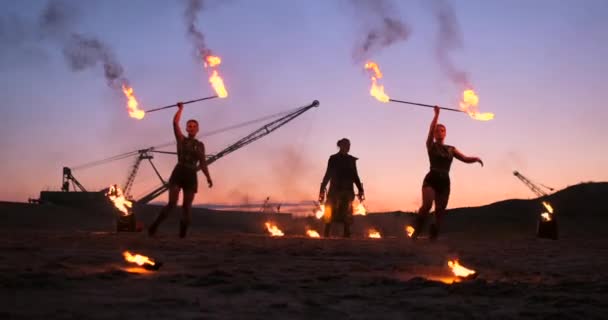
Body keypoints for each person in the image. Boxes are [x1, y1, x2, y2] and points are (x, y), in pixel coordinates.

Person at [412, 106, 483, 241]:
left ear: (445, 134)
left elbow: (464, 158)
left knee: (440, 211)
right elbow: (430, 129)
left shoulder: (451, 149)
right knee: (427, 205)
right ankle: (417, 229)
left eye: (442, 130)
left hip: (445, 181)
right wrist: (436, 114)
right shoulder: (431, 146)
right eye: (437, 131)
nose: (439, 132)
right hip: (431, 178)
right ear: (434, 134)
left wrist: (475, 159)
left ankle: (434, 233)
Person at [148, 102, 213, 238]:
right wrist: (181, 109)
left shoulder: (200, 145)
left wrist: (208, 177)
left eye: (194, 126)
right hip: (179, 172)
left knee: (186, 207)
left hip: (191, 175)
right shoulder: (181, 139)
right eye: (189, 126)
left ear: (198, 129)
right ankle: (154, 226)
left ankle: (182, 235)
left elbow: (202, 162)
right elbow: (175, 123)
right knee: (172, 203)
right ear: (187, 128)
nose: (191, 128)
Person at [319, 138, 364, 238]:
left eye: (349, 145)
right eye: (346, 145)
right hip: (335, 189)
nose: (348, 147)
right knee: (329, 209)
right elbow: (328, 174)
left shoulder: (351, 160)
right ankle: (326, 232)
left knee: (347, 210)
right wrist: (322, 189)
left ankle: (346, 233)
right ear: (341, 146)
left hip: (347, 189)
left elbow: (355, 176)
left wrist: (360, 189)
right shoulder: (333, 159)